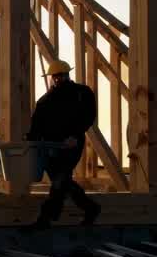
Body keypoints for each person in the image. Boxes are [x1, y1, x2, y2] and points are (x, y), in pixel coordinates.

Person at [24, 60, 100, 229]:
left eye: (62, 75)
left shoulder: (82, 93)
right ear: (52, 78)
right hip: (50, 147)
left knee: (60, 181)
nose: (59, 79)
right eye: (56, 76)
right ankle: (91, 208)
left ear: (68, 75)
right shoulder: (45, 101)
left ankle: (45, 219)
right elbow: (36, 126)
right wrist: (29, 144)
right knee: (63, 183)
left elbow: (88, 116)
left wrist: (74, 135)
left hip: (71, 145)